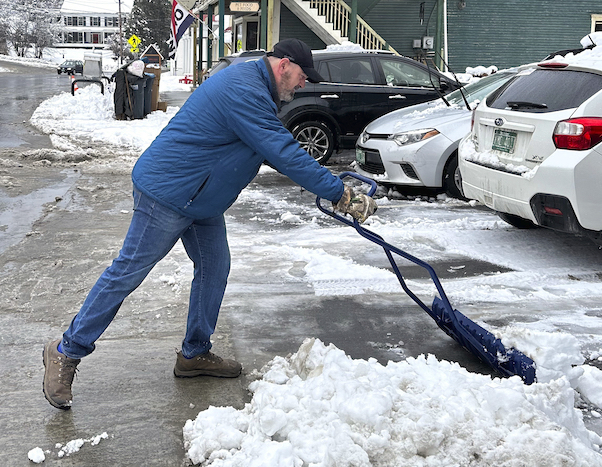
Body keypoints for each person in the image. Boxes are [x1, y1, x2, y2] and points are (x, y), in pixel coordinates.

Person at [42, 39, 377, 410]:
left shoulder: (256, 84)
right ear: (283, 65)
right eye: (301, 76)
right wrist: (340, 194)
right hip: (167, 193)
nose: (303, 84)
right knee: (128, 272)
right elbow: (281, 150)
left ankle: (194, 354)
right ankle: (65, 351)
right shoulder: (244, 89)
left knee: (215, 267)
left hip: (201, 198)